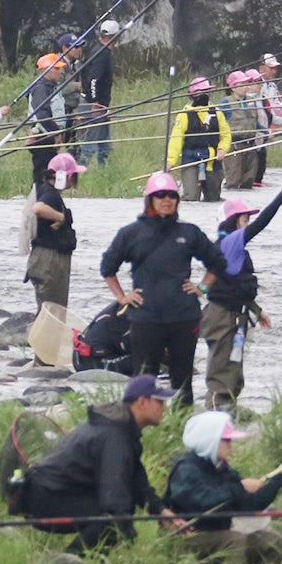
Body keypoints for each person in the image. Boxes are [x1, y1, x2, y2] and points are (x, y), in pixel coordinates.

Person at [99, 171, 223, 407]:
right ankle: (141, 427)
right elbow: (107, 267)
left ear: (177, 200)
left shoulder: (189, 233)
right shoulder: (131, 234)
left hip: (184, 316)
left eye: (171, 196)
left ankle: (182, 425)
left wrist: (202, 287)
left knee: (182, 378)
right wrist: (123, 297)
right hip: (145, 317)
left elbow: (217, 262)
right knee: (144, 377)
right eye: (160, 195)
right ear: (150, 200)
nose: (166, 200)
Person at [19, 374, 179, 551]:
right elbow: (115, 497)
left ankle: (73, 563)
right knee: (114, 521)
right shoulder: (114, 437)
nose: (164, 409)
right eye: (160, 402)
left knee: (119, 515)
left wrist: (161, 511)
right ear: (142, 402)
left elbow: (137, 482)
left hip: (55, 493)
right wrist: (129, 537)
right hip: (46, 499)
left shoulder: (122, 430)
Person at [199, 174, 282, 409]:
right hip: (223, 318)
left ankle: (224, 416)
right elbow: (261, 223)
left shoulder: (229, 247)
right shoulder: (230, 242)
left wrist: (257, 310)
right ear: (231, 222)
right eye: (243, 219)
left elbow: (233, 286)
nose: (246, 224)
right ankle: (213, 417)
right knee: (222, 375)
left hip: (232, 315)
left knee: (232, 373)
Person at [164, 410, 282, 564]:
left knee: (272, 541)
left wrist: (278, 478)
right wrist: (239, 487)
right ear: (211, 441)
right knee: (233, 540)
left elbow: (249, 506)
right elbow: (198, 500)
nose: (231, 445)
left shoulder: (225, 471)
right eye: (227, 440)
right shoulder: (186, 469)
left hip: (219, 538)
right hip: (187, 540)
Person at [26, 151, 83, 309]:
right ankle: (47, 334)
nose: (75, 179)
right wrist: (61, 217)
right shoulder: (50, 194)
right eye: (74, 175)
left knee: (49, 308)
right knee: (53, 310)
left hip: (44, 259)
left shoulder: (45, 191)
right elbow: (38, 209)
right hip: (49, 261)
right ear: (62, 176)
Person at [166, 77, 230, 202]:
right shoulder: (184, 115)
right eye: (200, 92)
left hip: (213, 161)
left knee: (213, 199)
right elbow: (176, 140)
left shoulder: (217, 113)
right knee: (191, 197)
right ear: (192, 95)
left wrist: (222, 149)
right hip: (191, 160)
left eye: (206, 92)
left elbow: (226, 135)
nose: (204, 95)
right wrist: (171, 161)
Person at [26, 53, 71, 185]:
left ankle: (45, 201)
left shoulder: (52, 87)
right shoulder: (41, 88)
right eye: (57, 68)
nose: (61, 71)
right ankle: (39, 201)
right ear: (46, 70)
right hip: (42, 137)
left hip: (49, 136)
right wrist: (55, 133)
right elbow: (42, 115)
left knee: (50, 173)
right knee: (43, 175)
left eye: (60, 68)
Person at [78, 20, 119, 164]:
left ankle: (105, 172)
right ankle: (79, 173)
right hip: (93, 106)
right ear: (115, 36)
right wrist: (95, 103)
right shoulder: (102, 54)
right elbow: (93, 80)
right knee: (89, 146)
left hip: (101, 106)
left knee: (105, 145)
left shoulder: (99, 50)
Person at [222, 70, 261, 191]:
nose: (245, 87)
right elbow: (219, 124)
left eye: (246, 83)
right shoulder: (225, 102)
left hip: (251, 146)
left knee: (249, 182)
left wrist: (266, 131)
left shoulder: (251, 101)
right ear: (233, 87)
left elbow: (256, 124)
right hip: (234, 147)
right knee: (233, 181)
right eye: (242, 84)